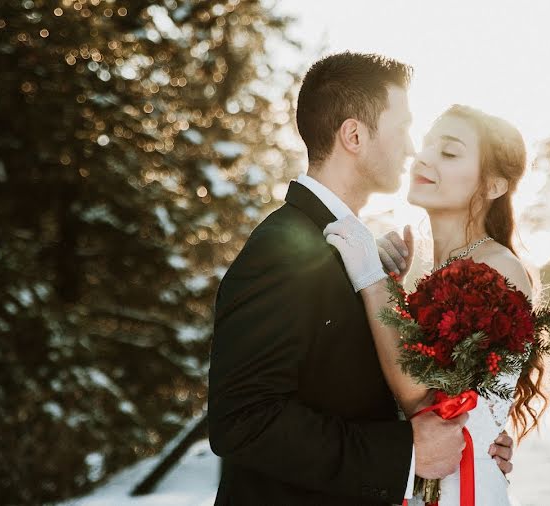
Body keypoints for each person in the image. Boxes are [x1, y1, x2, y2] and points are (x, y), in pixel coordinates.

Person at [208, 53, 514, 505]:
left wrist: (475, 440)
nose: (413, 150)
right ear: (354, 135)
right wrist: (405, 454)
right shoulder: (284, 248)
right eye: (404, 127)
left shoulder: (352, 250)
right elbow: (243, 420)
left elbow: (355, 391)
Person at [325, 104, 550, 505]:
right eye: (428, 145)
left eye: (449, 153)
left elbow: (427, 398)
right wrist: (392, 294)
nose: (425, 157)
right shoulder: (438, 272)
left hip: (457, 492)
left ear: (493, 187)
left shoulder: (497, 268)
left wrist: (370, 279)